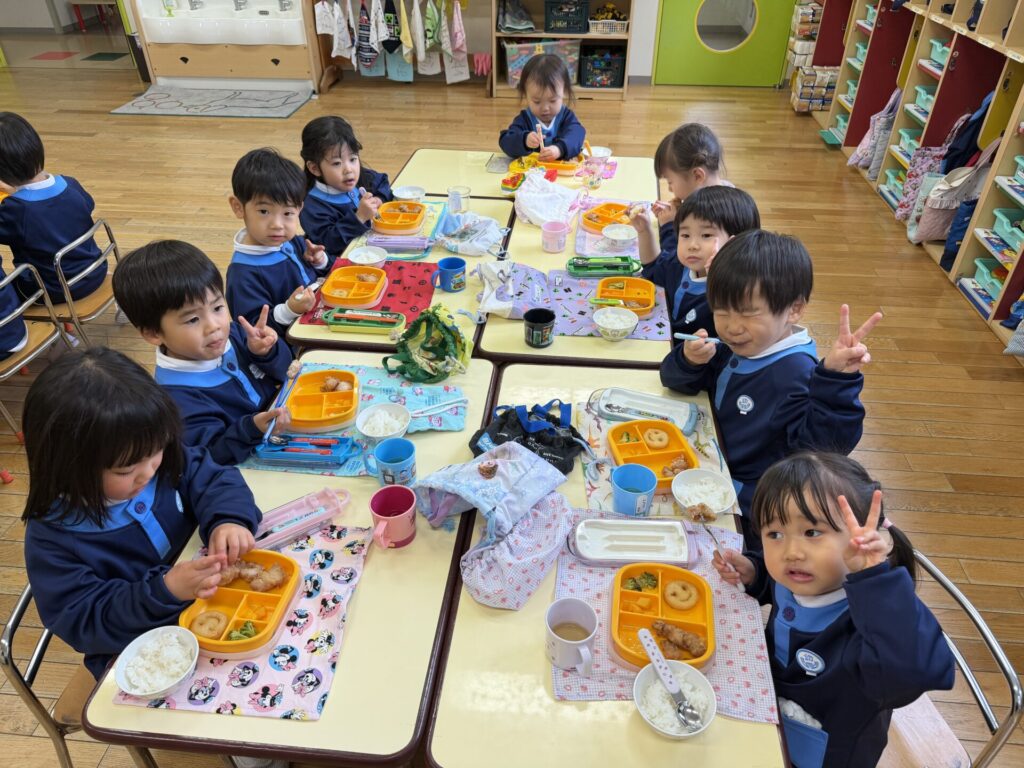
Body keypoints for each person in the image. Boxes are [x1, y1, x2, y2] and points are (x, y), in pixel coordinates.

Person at [21, 347, 262, 681]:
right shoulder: (54, 539)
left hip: (215, 605)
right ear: (67, 468)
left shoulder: (157, 461)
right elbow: (85, 621)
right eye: (126, 470)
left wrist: (228, 519)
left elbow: (214, 477)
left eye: (156, 452)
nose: (149, 472)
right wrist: (164, 591)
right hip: (147, 655)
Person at [712, 452, 954, 768]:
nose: (791, 552)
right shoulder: (803, 577)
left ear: (860, 536)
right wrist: (755, 572)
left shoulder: (874, 620)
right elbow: (776, 587)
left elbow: (916, 670)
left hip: (828, 752)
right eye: (775, 534)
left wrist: (876, 582)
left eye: (812, 533)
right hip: (767, 713)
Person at [660, 230, 882, 548]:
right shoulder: (737, 344)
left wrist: (837, 381)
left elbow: (821, 450)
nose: (732, 326)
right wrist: (688, 361)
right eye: (721, 311)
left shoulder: (795, 372)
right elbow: (675, 382)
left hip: (744, 508)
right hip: (706, 461)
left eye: (748, 313)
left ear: (794, 309)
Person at [112, 240, 293, 465]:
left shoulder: (236, 335)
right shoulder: (176, 398)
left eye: (217, 308)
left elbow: (287, 371)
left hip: (284, 428)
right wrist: (251, 429)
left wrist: (266, 353)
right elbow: (212, 455)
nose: (214, 326)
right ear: (153, 333)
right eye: (192, 319)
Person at [0, 111, 106, 302]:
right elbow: (87, 206)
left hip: (54, 289)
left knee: (7, 289)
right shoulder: (70, 184)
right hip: (95, 270)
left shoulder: (15, 209)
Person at [631, 185, 760, 340]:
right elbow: (653, 268)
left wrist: (718, 282)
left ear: (737, 243)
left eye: (706, 235)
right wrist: (644, 231)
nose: (692, 245)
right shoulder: (682, 266)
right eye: (685, 235)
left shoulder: (735, 295)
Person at [226, 147, 329, 337]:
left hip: (321, 321)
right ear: (238, 207)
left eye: (288, 213)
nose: (277, 225)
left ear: (299, 209)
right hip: (296, 347)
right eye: (264, 211)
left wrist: (319, 261)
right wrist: (289, 310)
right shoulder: (242, 274)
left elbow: (316, 279)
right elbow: (253, 332)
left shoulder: (292, 242)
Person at [299, 115, 393, 258]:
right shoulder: (311, 206)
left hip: (375, 249)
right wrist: (359, 217)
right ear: (314, 168)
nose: (349, 169)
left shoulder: (359, 178)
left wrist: (379, 199)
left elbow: (382, 182)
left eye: (353, 159)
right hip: (344, 263)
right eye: (337, 163)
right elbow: (327, 243)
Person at [651, 123, 732, 263]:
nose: (670, 189)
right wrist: (681, 212)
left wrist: (669, 226)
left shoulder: (713, 215)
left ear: (698, 176)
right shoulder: (727, 192)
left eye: (670, 182)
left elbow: (676, 265)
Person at [499, 53, 586, 161]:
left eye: (552, 100)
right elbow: (505, 141)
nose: (545, 108)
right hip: (532, 170)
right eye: (537, 101)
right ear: (526, 95)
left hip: (561, 170)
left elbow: (577, 134)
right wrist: (524, 140)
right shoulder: (524, 119)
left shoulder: (566, 117)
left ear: (564, 92)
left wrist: (559, 149)